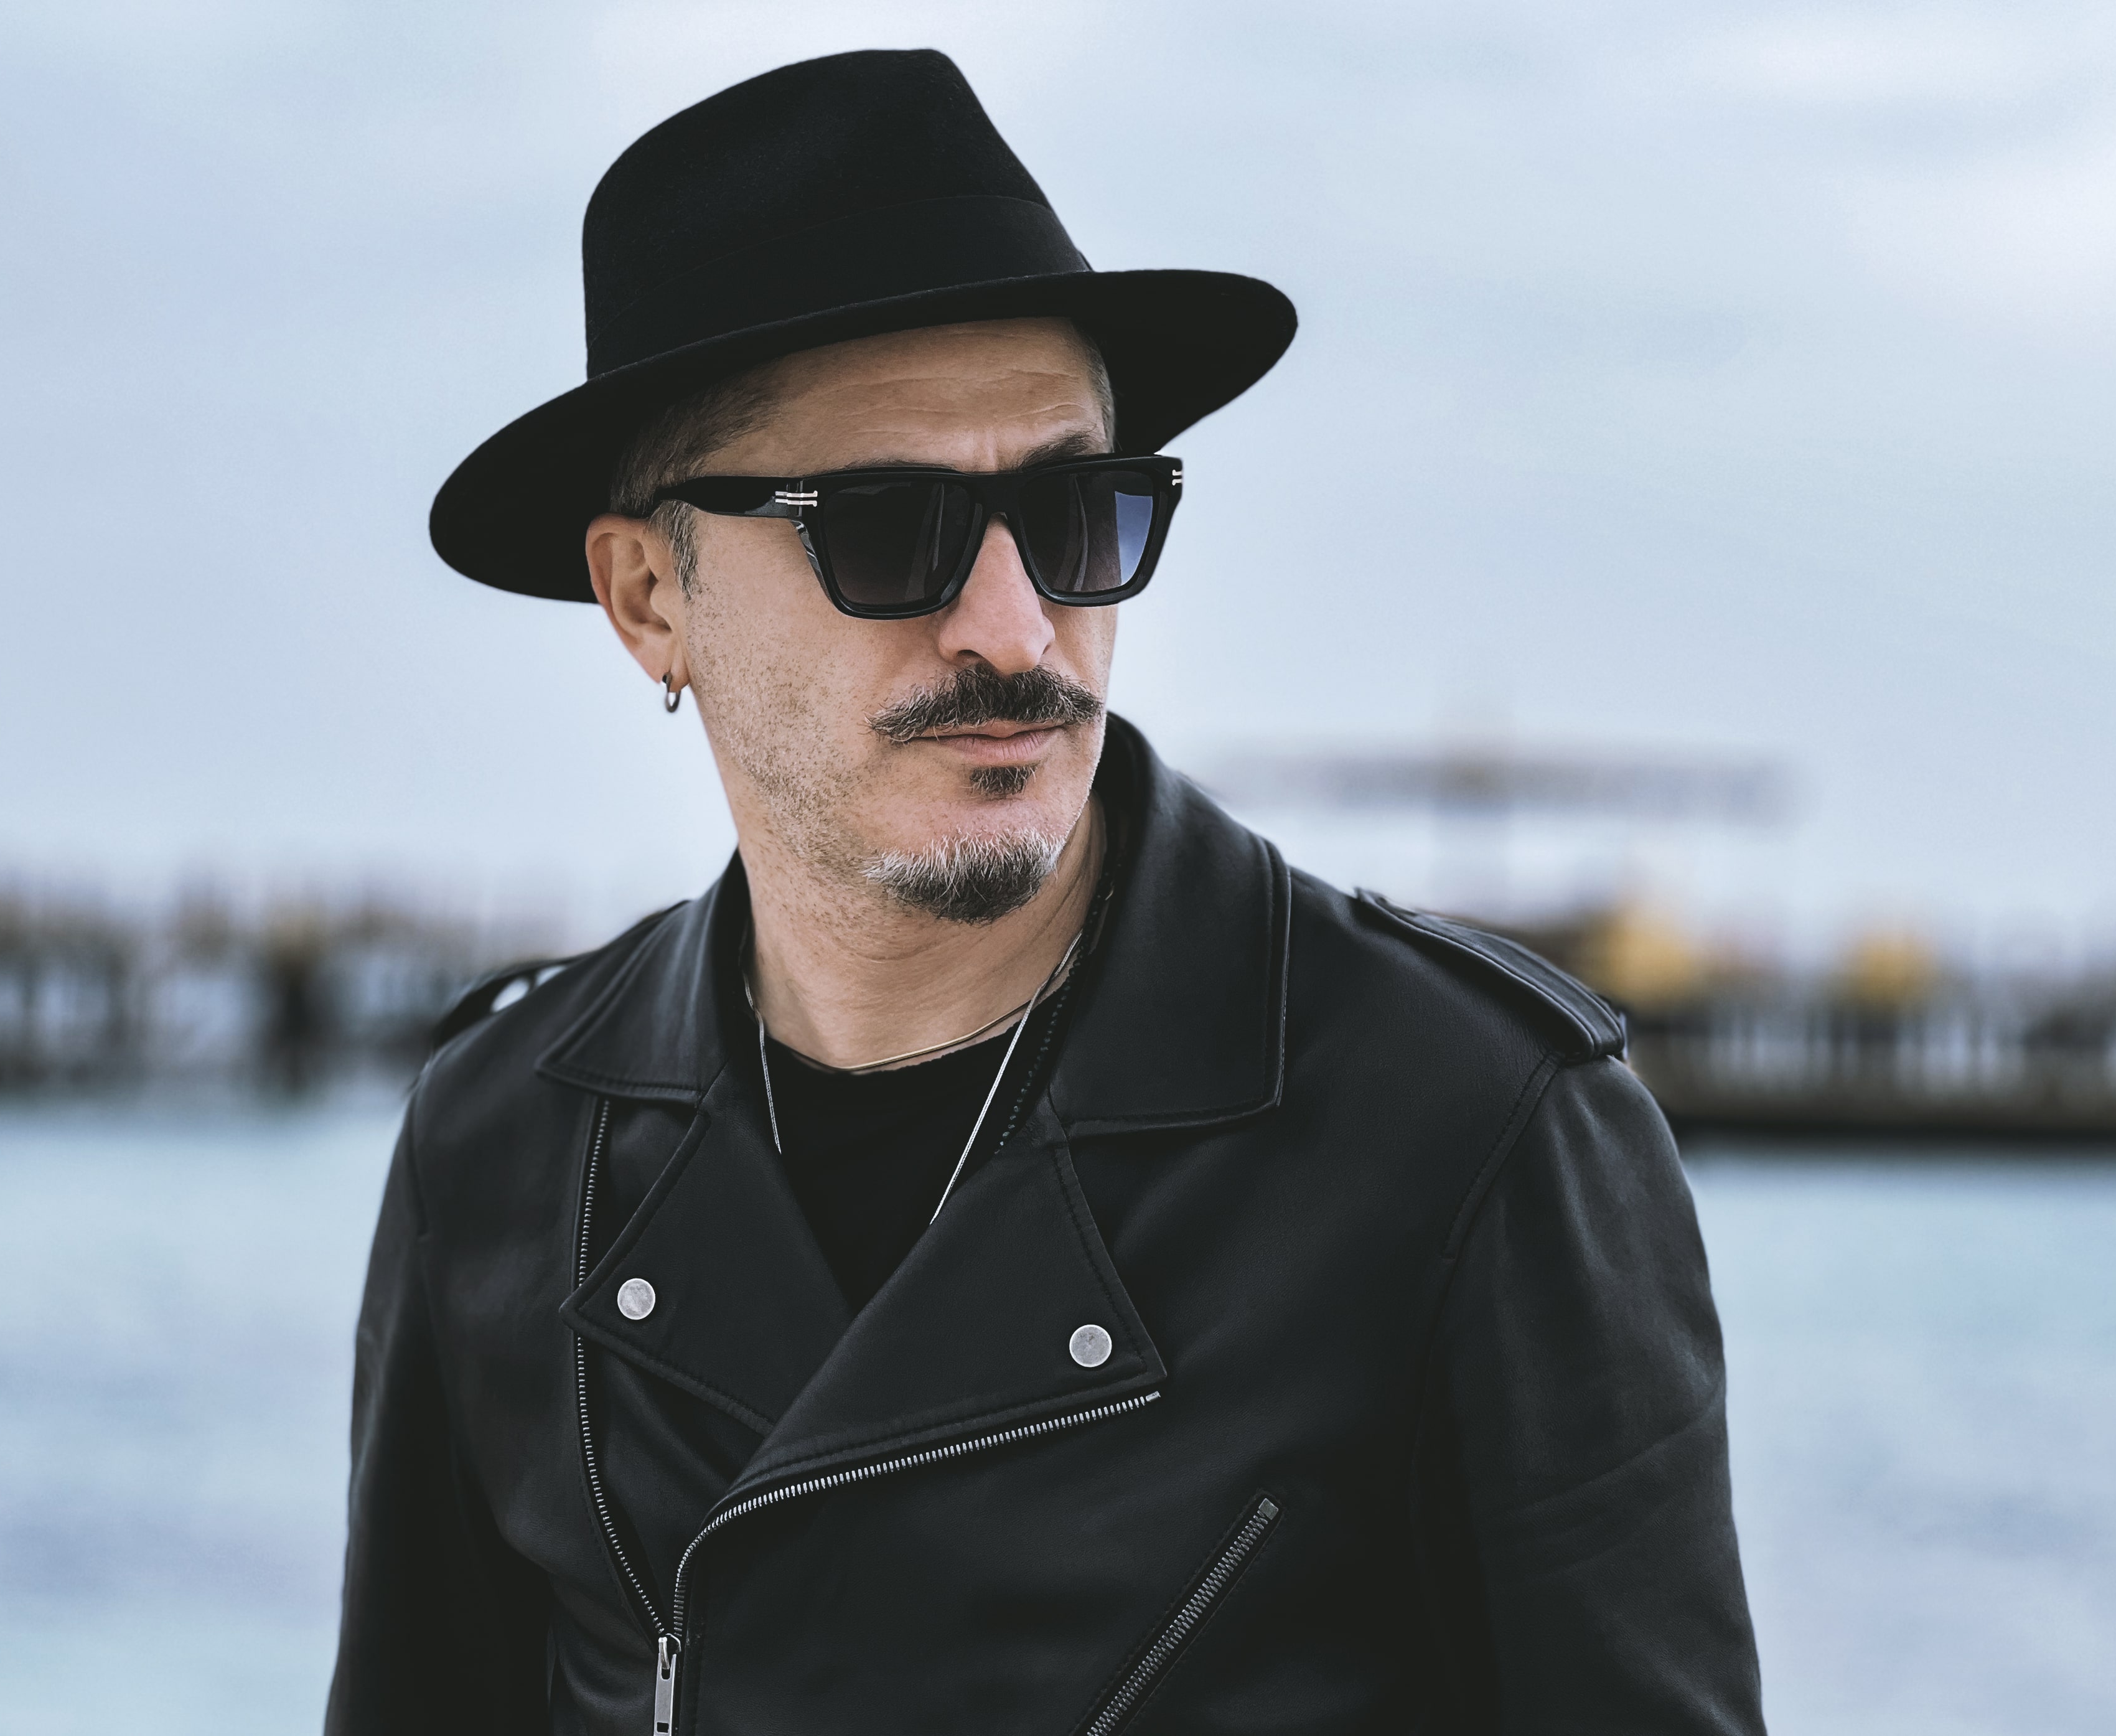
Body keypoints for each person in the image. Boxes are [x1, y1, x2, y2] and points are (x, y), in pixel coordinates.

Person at [327, 48, 1764, 1736]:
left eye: (1080, 511)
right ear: (651, 597)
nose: (1016, 629)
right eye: (888, 527)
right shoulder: (502, 1142)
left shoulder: (1468, 1129)